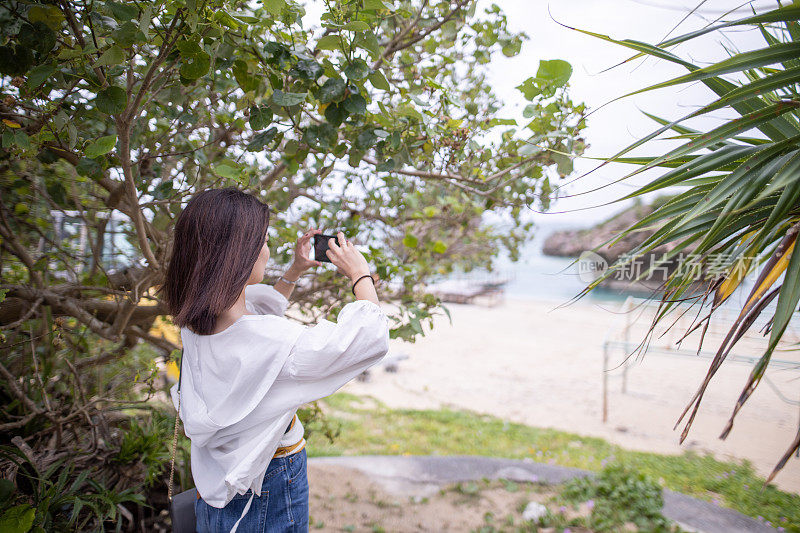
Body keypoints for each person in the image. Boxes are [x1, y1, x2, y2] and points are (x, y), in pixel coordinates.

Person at [161, 187, 389, 532]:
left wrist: (295, 271)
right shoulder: (272, 343)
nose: (266, 251)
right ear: (240, 254)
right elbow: (367, 336)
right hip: (269, 478)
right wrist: (361, 275)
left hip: (222, 479)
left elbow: (254, 308)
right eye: (262, 242)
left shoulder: (197, 320)